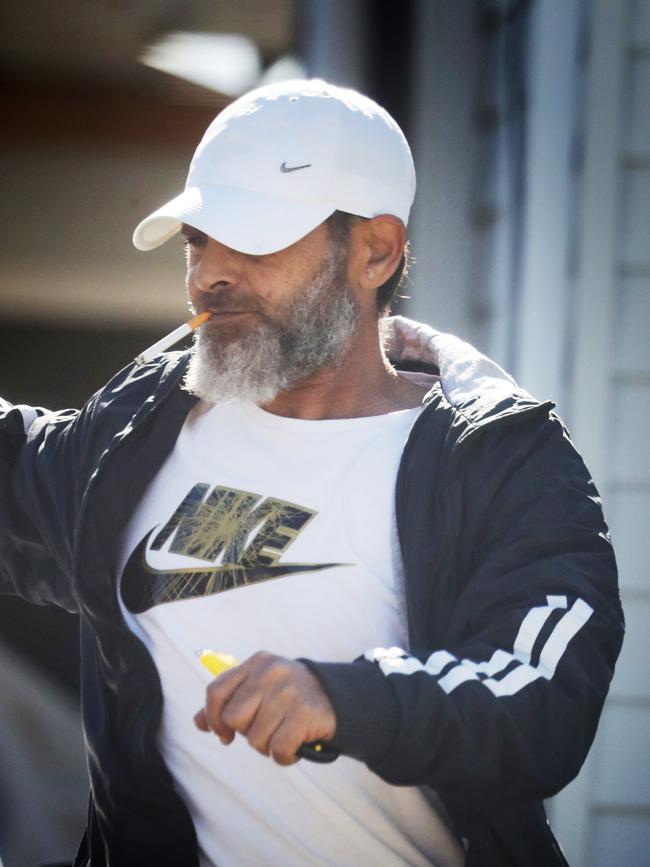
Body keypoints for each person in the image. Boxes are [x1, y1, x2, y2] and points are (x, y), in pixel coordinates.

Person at [0, 79, 623, 867]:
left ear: (377, 250)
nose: (208, 275)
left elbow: (542, 700)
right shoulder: (138, 428)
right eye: (197, 240)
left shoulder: (502, 462)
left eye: (253, 240)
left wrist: (345, 698)